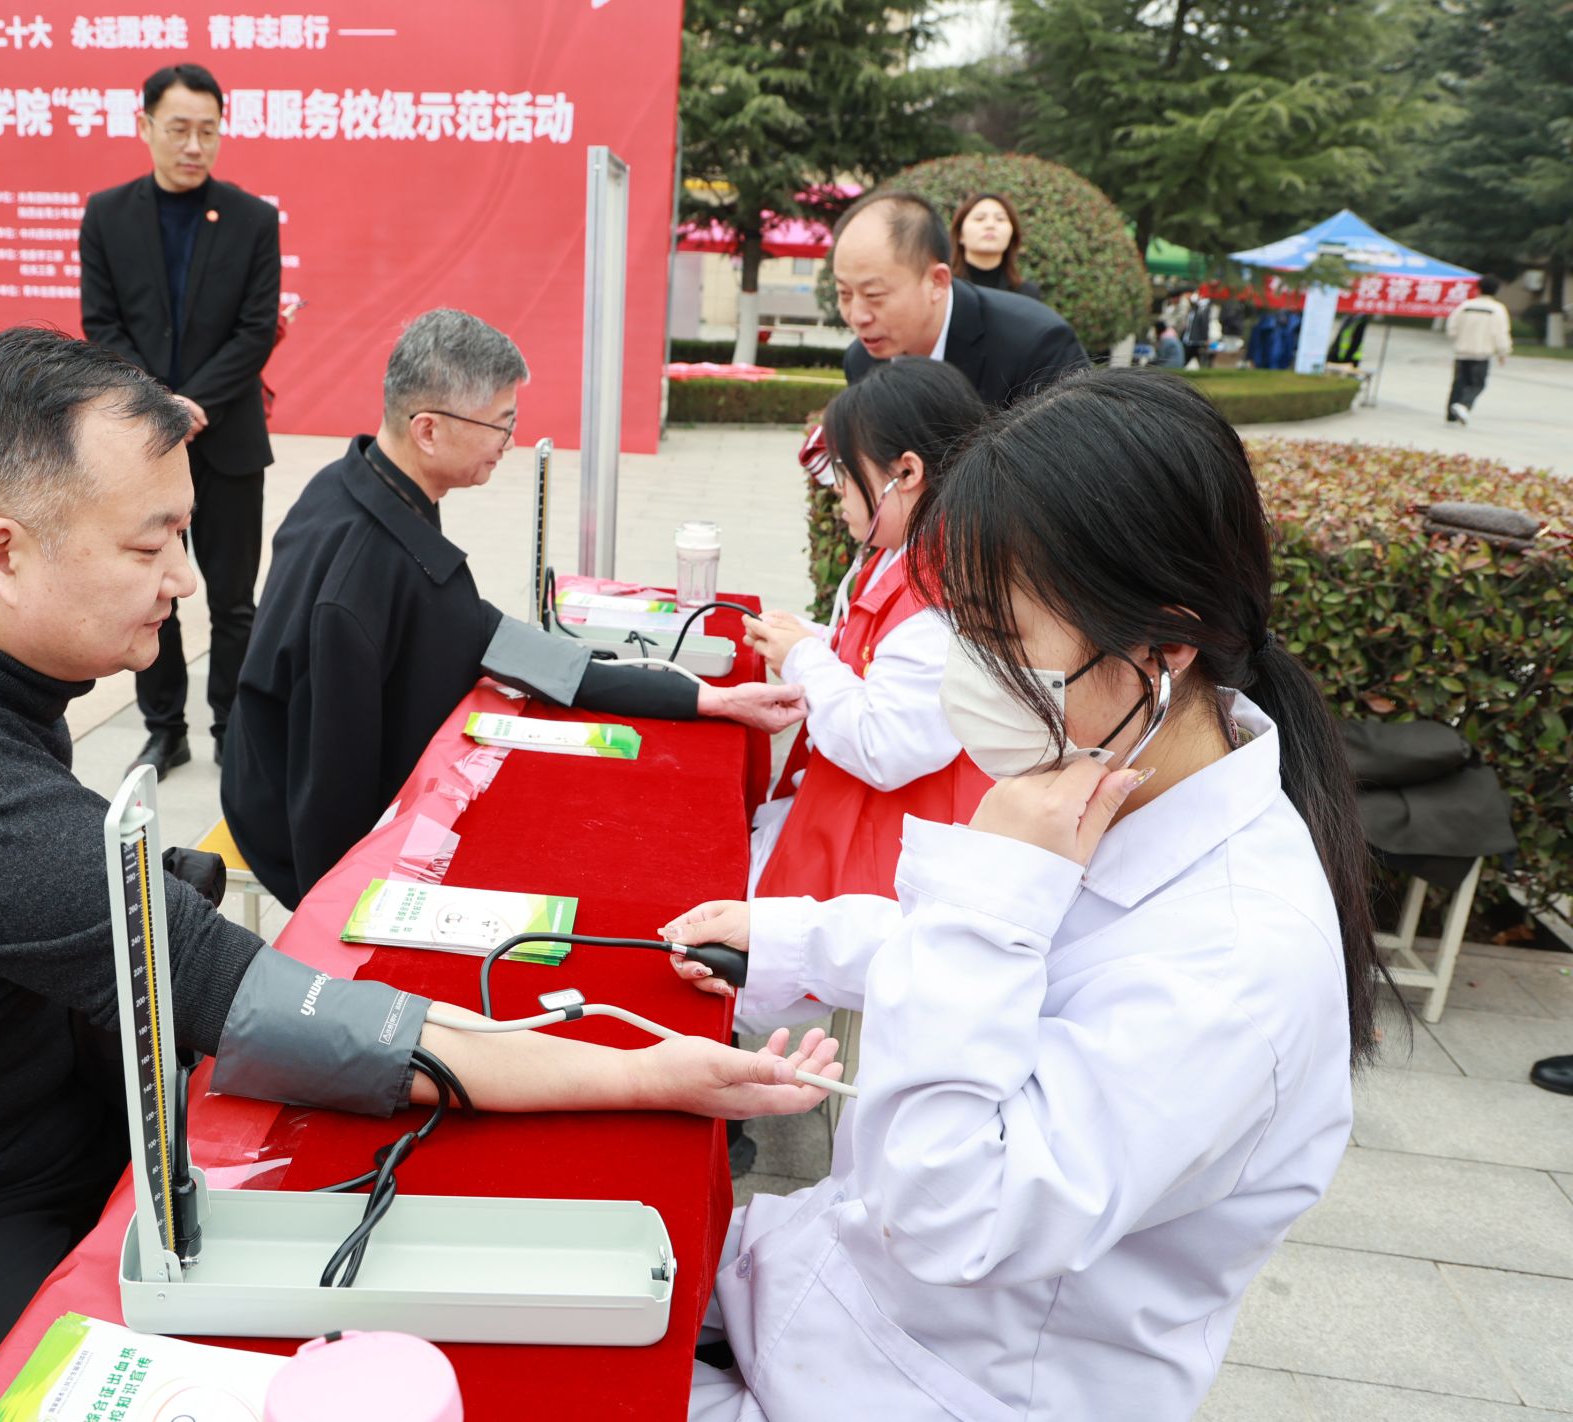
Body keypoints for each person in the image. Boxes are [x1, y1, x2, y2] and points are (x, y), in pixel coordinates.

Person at [0, 326, 842, 1421]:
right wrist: (644, 1073)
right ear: (1, 552)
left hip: (33, 1109)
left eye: (182, 535)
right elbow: (281, 1013)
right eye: (147, 546)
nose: (184, 580)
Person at [660, 366, 1381, 1420]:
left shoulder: (1237, 968)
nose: (970, 674)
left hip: (929, 1384)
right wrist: (795, 939)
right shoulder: (1114, 772)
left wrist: (991, 887)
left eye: (999, 640)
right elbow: (1004, 965)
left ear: (1162, 644)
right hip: (824, 1304)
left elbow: (946, 1209)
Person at [221, 308, 808, 910]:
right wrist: (344, 914)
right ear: (428, 430)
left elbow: (490, 637)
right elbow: (329, 788)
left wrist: (705, 698)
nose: (510, 442)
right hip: (290, 828)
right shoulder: (362, 578)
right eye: (500, 424)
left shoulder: (359, 482)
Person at [736, 360, 990, 925]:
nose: (838, 492)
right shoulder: (917, 551)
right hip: (865, 830)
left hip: (880, 862)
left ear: (907, 472)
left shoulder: (943, 598)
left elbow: (886, 744)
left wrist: (804, 657)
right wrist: (809, 640)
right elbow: (881, 659)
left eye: (846, 472)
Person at [81, 63, 280, 777]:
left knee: (234, 601)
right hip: (142, 445)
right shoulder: (107, 215)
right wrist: (159, 402)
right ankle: (165, 729)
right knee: (148, 593)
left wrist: (194, 403)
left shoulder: (253, 219)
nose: (195, 145)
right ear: (145, 127)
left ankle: (233, 726)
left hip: (228, 440)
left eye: (208, 130)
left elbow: (256, 330)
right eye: (179, 129)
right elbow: (102, 324)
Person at [835, 189, 1087, 407]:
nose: (857, 316)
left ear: (937, 281)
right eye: (844, 293)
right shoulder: (861, 360)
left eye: (874, 295)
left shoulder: (1037, 345)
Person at [949, 191, 1042, 302]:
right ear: (960, 234)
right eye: (979, 218)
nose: (990, 225)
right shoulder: (945, 289)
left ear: (1012, 234)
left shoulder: (1027, 294)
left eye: (1000, 219)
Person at [1447, 275, 1513, 425]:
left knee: (1458, 383)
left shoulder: (1465, 306)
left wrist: (1458, 338)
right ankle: (1464, 405)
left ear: (1478, 287)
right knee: (1477, 384)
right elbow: (1501, 333)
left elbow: (1452, 327)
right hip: (1481, 353)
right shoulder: (1497, 309)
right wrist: (1503, 352)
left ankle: (1450, 414)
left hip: (1462, 351)